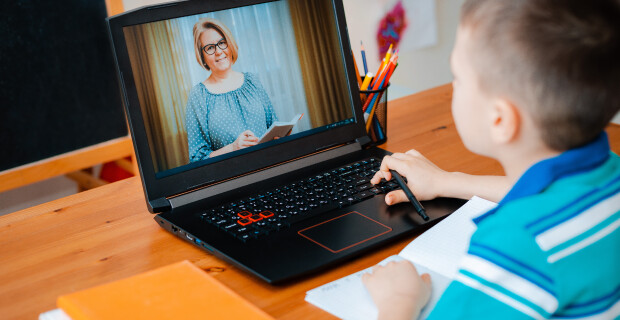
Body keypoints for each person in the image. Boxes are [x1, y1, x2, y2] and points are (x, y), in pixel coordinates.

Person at [363, 0, 620, 319]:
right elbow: (547, 193)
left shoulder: (518, 243)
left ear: (499, 120)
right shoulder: (610, 170)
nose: (453, 86)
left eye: (457, 76)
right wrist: (445, 181)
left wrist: (399, 300)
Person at [185, 18, 278, 162]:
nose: (218, 51)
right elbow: (197, 159)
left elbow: (274, 124)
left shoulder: (252, 81)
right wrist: (233, 148)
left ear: (230, 45)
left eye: (222, 43)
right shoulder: (198, 96)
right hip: (232, 177)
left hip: (270, 164)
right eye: (210, 48)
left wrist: (280, 135)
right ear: (202, 56)